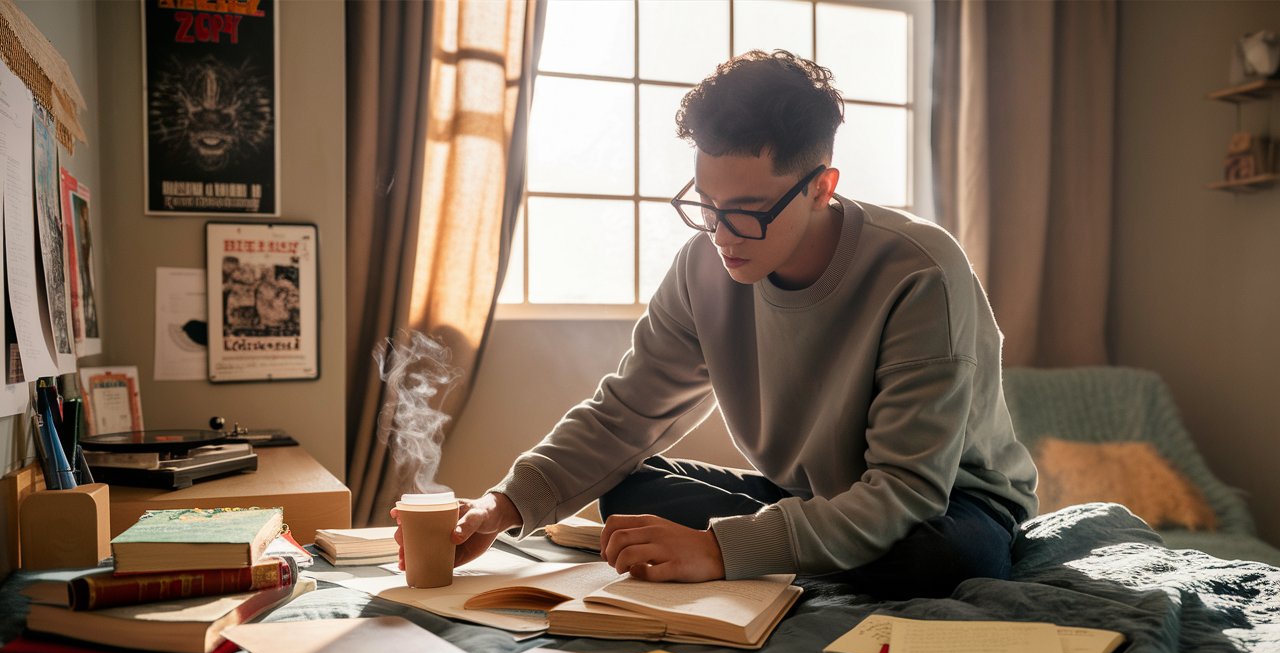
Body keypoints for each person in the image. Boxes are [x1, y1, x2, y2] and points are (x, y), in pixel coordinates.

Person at [395, 50, 1038, 600]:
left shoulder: (920, 272)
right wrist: (502, 506)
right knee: (630, 496)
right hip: (805, 493)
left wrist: (721, 551)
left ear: (821, 187)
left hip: (947, 502)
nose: (723, 235)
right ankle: (803, 545)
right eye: (706, 205)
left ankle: (789, 546)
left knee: (944, 561)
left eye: (749, 211)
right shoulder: (703, 265)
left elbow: (904, 491)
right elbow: (624, 416)